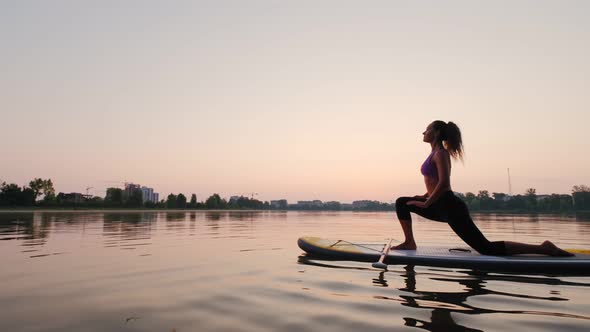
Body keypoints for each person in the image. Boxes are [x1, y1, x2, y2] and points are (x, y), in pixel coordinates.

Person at [393, 120, 573, 256]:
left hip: (449, 206)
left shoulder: (440, 154)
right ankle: (409, 242)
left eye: (428, 129)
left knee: (486, 248)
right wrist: (424, 196)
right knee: (403, 202)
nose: (423, 132)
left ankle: (543, 248)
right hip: (438, 203)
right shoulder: (433, 153)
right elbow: (434, 182)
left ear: (437, 132)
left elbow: (444, 184)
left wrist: (426, 203)